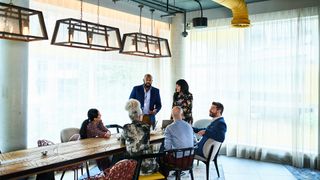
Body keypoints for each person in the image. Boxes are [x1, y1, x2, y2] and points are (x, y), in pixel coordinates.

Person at [120, 99, 158, 175]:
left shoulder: (126, 128)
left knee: (118, 158)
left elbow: (122, 142)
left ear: (129, 116)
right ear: (140, 115)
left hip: (134, 169)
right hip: (150, 167)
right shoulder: (146, 127)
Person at [159, 106, 194, 177]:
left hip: (178, 161)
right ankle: (177, 172)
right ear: (182, 115)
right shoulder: (189, 126)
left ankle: (163, 177)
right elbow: (195, 141)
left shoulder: (169, 128)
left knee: (160, 157)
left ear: (172, 116)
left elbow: (167, 148)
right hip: (190, 160)